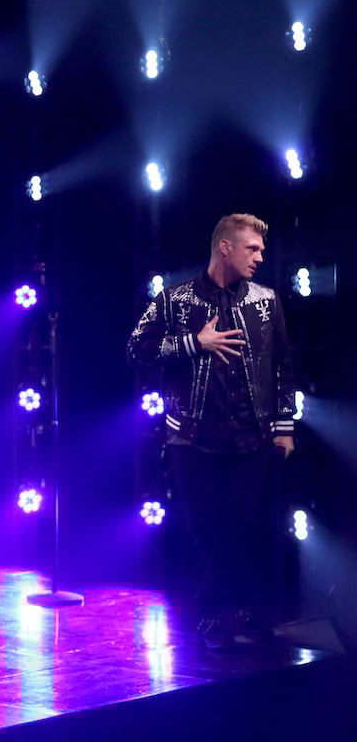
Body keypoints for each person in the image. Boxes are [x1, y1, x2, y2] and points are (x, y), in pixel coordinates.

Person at [128, 213, 295, 649]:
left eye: (261, 250)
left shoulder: (266, 300)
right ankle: (237, 608)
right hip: (192, 436)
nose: (260, 257)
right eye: (252, 248)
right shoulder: (175, 299)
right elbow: (137, 348)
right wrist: (193, 343)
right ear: (226, 247)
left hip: (252, 435)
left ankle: (212, 612)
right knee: (205, 526)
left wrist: (284, 426)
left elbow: (282, 365)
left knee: (242, 526)